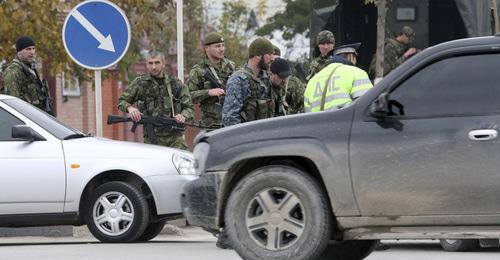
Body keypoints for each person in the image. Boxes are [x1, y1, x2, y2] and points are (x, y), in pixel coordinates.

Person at [117, 50, 193, 149]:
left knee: (183, 162)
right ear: (146, 64)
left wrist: (183, 115)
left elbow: (189, 107)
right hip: (151, 138)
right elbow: (122, 101)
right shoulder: (140, 83)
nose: (154, 67)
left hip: (174, 138)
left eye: (157, 63)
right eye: (150, 63)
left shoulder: (174, 83)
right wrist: (130, 109)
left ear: (163, 64)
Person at [304, 43, 373, 113]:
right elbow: (367, 107)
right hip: (345, 123)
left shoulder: (312, 82)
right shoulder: (358, 73)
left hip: (318, 123)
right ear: (350, 56)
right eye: (355, 57)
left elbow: (308, 115)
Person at [187, 32, 236, 127]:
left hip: (232, 122)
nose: (222, 49)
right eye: (217, 46)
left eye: (223, 45)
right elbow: (188, 96)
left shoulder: (231, 67)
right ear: (207, 48)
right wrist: (208, 92)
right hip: (211, 125)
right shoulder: (198, 70)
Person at [222, 37, 275, 126]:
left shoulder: (266, 79)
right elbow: (230, 118)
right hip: (246, 136)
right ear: (258, 55)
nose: (272, 58)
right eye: (269, 54)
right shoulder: (237, 80)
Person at [2, 36, 53, 114]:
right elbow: (13, 103)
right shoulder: (13, 71)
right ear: (19, 51)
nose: (32, 52)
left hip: (38, 115)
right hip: (26, 117)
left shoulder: (31, 69)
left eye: (33, 48)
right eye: (28, 49)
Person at [271, 45, 305, 114]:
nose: (273, 63)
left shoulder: (294, 83)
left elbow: (302, 105)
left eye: (277, 60)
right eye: (271, 61)